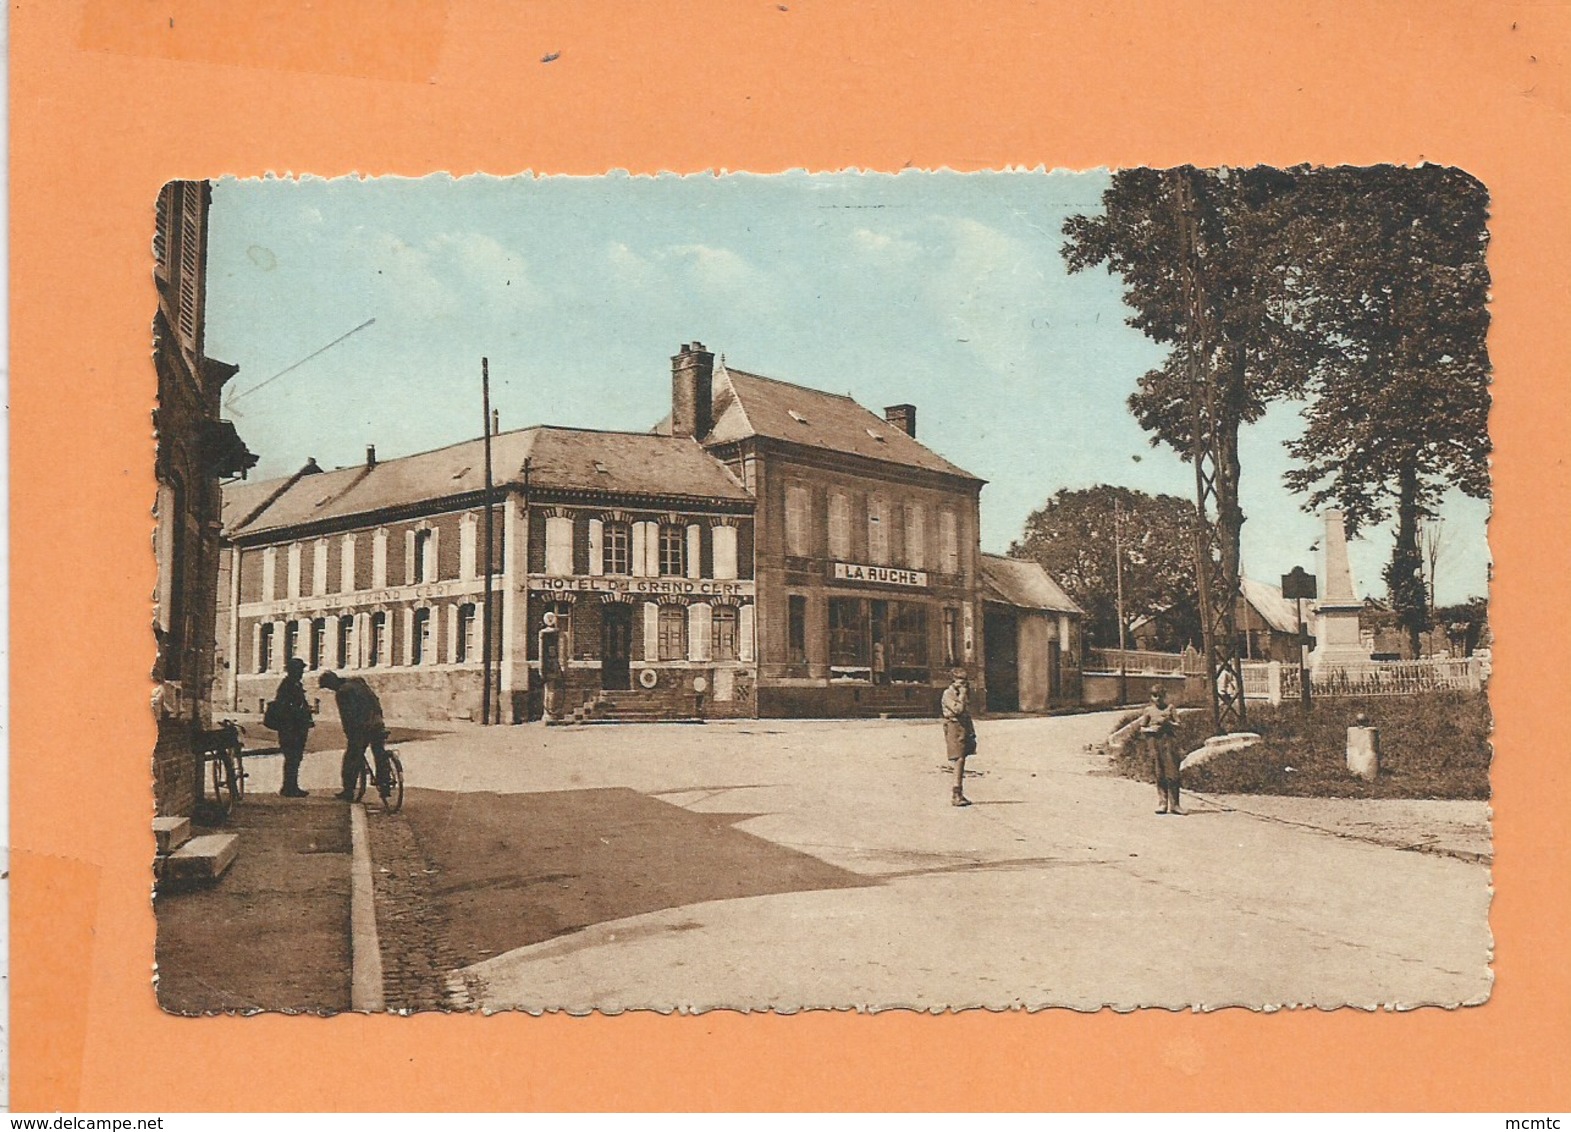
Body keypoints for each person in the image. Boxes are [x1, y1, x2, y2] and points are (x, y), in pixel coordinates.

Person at [318, 670, 391, 801]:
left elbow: (347, 717)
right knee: (379, 751)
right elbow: (375, 701)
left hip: (362, 727)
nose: (331, 689)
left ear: (332, 682)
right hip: (377, 722)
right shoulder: (358, 682)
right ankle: (385, 783)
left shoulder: (342, 692)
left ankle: (348, 790)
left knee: (352, 757)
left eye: (329, 687)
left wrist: (349, 733)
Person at [263, 656, 314, 797]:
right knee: (292, 758)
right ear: (293, 671)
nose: (301, 673)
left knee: (294, 758)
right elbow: (285, 707)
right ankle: (289, 788)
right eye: (299, 670)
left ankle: (291, 786)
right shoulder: (288, 685)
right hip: (290, 728)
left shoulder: (294, 684)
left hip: (294, 727)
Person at [1132, 683, 1184, 815]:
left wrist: (1169, 723)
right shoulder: (1148, 710)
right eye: (1155, 696)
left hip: (1169, 743)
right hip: (1155, 743)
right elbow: (1142, 728)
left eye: (1160, 696)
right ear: (1151, 697)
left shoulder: (1170, 708)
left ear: (1165, 696)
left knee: (1173, 774)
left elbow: (1179, 725)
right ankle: (1162, 803)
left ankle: (1175, 805)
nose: (1158, 699)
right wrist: (1151, 729)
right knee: (1159, 772)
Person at [941, 668, 976, 807]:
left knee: (963, 757)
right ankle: (956, 793)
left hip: (964, 725)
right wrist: (961, 696)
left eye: (965, 682)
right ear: (953, 681)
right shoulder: (948, 694)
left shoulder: (962, 692)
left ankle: (958, 791)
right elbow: (958, 710)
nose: (964, 685)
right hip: (954, 725)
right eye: (961, 682)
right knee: (958, 758)